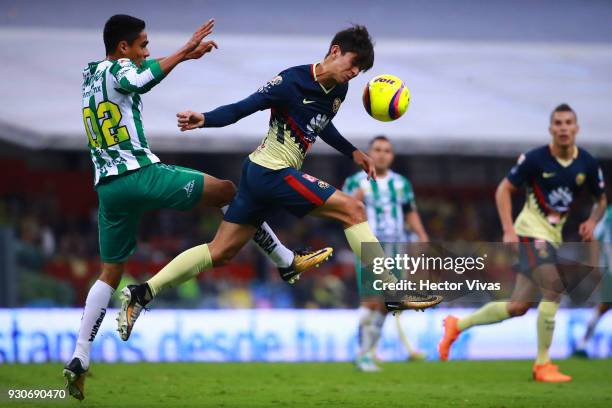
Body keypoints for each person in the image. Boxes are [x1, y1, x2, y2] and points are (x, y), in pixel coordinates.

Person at [64, 15, 330, 401]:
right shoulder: (119, 67)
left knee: (110, 271)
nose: (147, 52)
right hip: (141, 174)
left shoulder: (90, 75)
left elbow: (126, 87)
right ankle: (284, 259)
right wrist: (185, 52)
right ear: (123, 48)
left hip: (108, 188)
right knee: (227, 190)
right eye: (142, 45)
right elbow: (138, 78)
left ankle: (80, 356)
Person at [119, 25, 442, 341]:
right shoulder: (290, 81)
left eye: (361, 69)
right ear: (335, 51)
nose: (355, 73)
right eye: (353, 63)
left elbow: (321, 123)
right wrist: (206, 118)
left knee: (220, 252)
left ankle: (143, 292)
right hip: (271, 172)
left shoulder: (338, 90)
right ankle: (392, 290)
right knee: (353, 209)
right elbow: (243, 107)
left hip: (260, 174)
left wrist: (353, 152)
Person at [438, 103, 607, 382]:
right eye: (558, 123)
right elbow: (504, 189)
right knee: (554, 290)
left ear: (576, 128)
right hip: (529, 233)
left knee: (518, 306)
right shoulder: (535, 159)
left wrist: (592, 220)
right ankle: (542, 364)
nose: (563, 128)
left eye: (568, 123)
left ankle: (457, 325)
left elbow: (600, 199)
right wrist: (508, 229)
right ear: (550, 129)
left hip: (551, 237)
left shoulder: (587, 164)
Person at [343, 135, 429, 371]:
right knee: (371, 300)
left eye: (387, 150)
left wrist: (422, 235)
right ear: (369, 153)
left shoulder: (401, 183)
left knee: (388, 302)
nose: (382, 154)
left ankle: (368, 351)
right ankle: (362, 353)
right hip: (370, 245)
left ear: (392, 156)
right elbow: (343, 212)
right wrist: (354, 201)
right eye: (377, 149)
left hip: (397, 246)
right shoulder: (355, 182)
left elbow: (410, 211)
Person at [573, 204, 612, 357]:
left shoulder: (608, 215)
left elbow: (595, 236)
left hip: (608, 271)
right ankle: (582, 343)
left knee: (602, 307)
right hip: (609, 271)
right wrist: (595, 263)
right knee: (602, 307)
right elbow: (595, 236)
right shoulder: (609, 215)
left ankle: (582, 343)